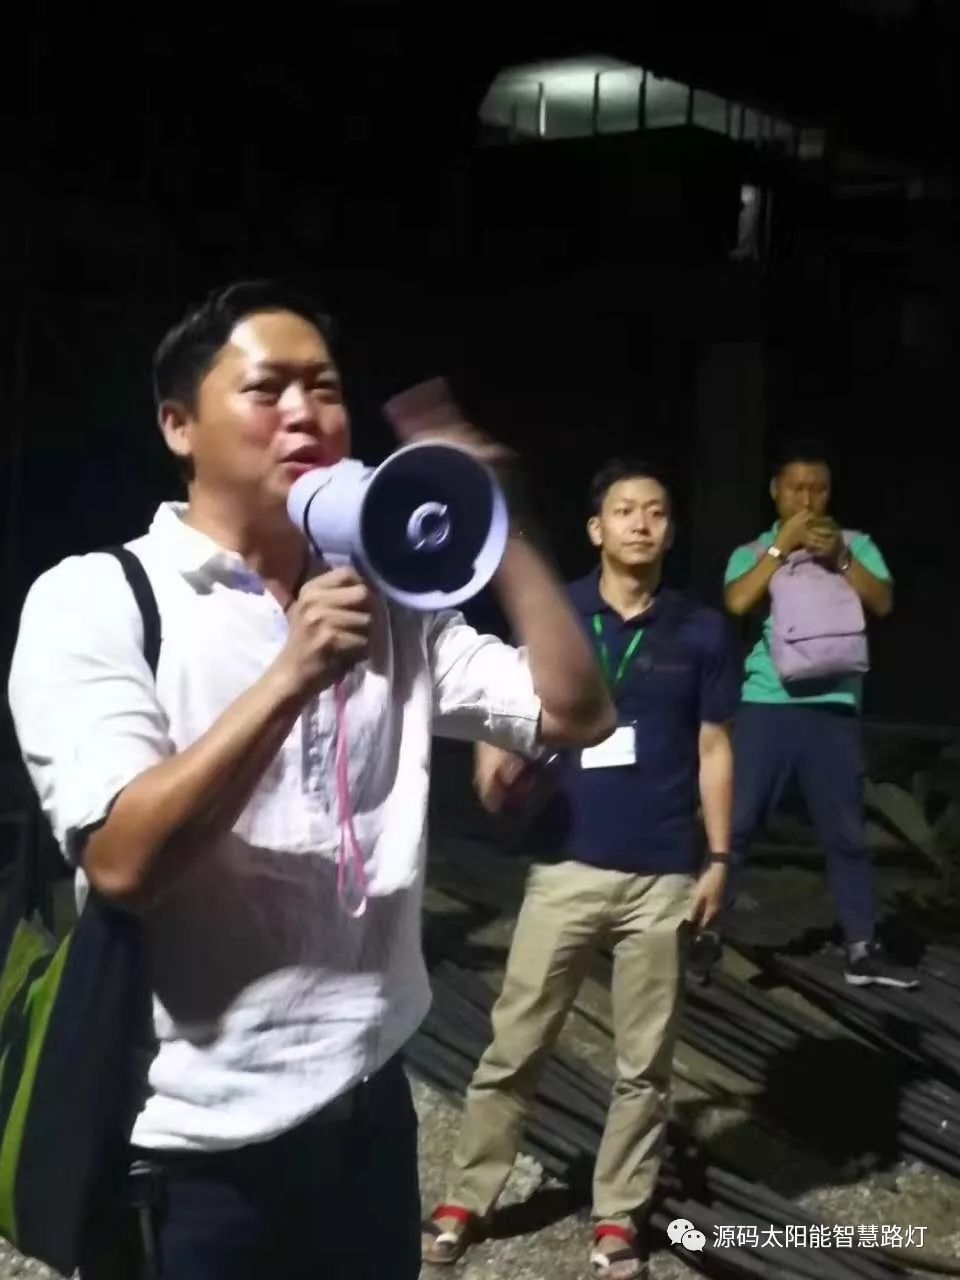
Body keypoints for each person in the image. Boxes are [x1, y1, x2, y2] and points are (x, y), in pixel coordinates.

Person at [6, 280, 616, 1280]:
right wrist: (289, 676)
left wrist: (499, 528)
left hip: (370, 1120)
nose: (306, 413)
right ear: (178, 425)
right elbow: (122, 862)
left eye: (326, 390)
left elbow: (577, 709)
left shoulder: (394, 605)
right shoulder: (100, 599)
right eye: (267, 389)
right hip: (191, 1155)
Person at [423, 459, 740, 1280]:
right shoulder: (558, 613)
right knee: (515, 1043)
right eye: (624, 510)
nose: (641, 523)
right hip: (566, 863)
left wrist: (718, 857)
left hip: (663, 874)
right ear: (597, 529)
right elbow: (504, 703)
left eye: (656, 511)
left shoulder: (702, 631)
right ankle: (467, 1197)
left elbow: (714, 747)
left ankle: (617, 1216)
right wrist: (489, 761)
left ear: (670, 530)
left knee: (645, 1066)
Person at [724, 441, 917, 988]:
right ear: (775, 492)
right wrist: (781, 548)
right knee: (738, 825)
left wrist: (842, 560)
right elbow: (737, 601)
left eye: (819, 489)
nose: (808, 499)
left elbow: (883, 602)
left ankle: (861, 946)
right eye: (796, 488)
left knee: (846, 832)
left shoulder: (857, 544)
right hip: (768, 702)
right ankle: (706, 933)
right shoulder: (752, 550)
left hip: (834, 707)